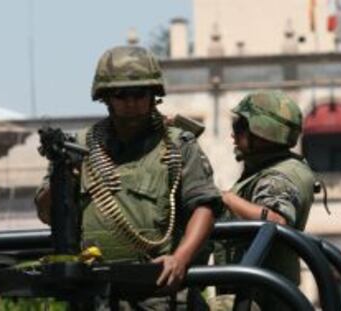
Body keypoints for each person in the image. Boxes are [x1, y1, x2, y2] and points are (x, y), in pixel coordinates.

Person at [35, 45, 222, 310]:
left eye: (140, 93)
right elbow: (46, 214)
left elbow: (204, 207)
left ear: (154, 95)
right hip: (94, 294)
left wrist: (180, 258)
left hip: (160, 292)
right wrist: (62, 179)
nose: (131, 103)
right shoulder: (77, 147)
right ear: (106, 98)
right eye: (121, 94)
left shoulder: (178, 144)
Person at [215, 90, 317, 311]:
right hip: (256, 294)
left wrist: (226, 198)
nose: (233, 135)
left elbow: (275, 221)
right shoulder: (267, 168)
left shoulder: (278, 176)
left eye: (240, 126)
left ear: (263, 132)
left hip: (263, 299)